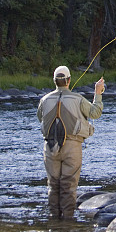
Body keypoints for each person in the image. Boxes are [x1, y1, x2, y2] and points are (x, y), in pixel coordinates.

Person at [37, 65, 104, 219]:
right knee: (68, 185)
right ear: (68, 80)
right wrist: (98, 93)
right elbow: (95, 113)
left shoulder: (44, 100)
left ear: (54, 81)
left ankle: (54, 221)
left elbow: (41, 118)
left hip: (49, 147)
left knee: (53, 185)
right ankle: (67, 222)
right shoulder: (77, 99)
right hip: (72, 147)